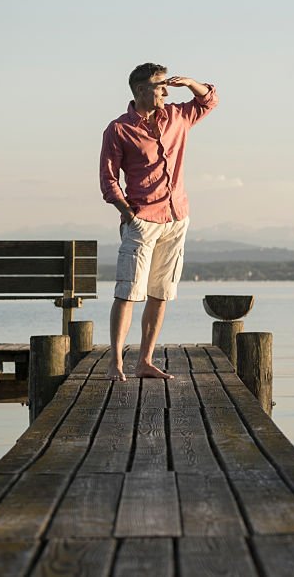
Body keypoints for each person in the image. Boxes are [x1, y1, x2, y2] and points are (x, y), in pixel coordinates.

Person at [99, 63, 218, 381]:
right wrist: (128, 213)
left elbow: (209, 101)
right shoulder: (119, 129)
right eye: (159, 85)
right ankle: (116, 364)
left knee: (160, 292)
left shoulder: (178, 116)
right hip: (142, 221)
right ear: (140, 90)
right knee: (127, 293)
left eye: (167, 85)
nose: (166, 90)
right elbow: (108, 180)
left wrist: (191, 82)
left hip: (177, 218)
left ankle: (145, 361)